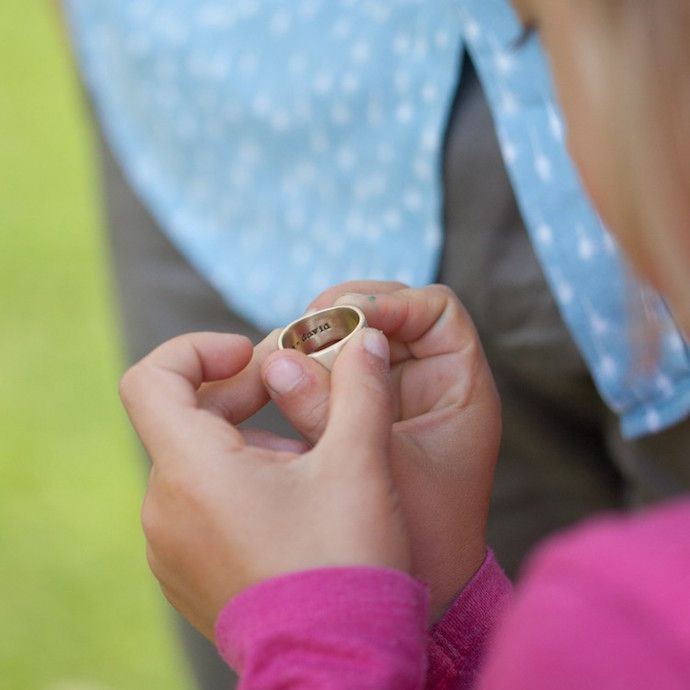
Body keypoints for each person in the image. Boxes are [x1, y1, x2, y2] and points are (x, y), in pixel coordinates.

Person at [66, 0, 690, 686]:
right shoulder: (620, 618)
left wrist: (313, 637)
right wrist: (448, 616)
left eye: (538, 36)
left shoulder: (616, 615)